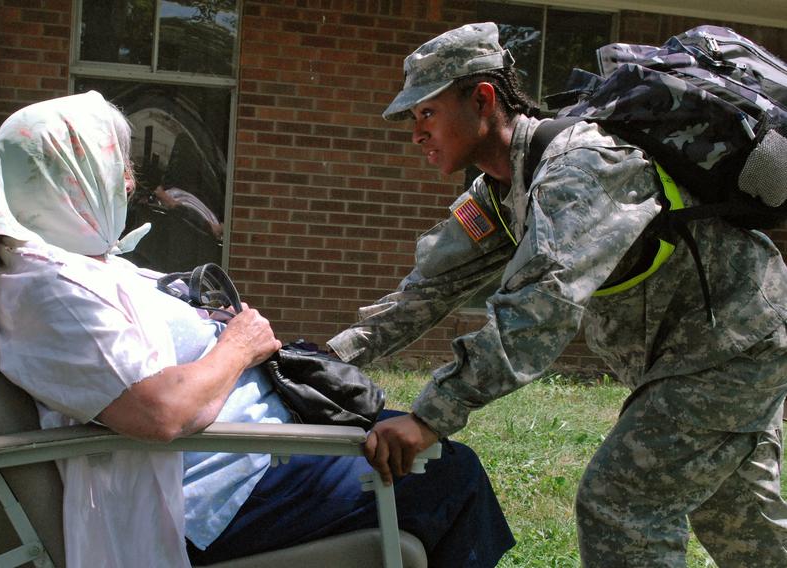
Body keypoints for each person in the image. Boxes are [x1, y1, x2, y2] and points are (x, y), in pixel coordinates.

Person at [0, 91, 515, 567]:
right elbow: (158, 412)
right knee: (451, 475)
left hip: (249, 456)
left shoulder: (76, 264)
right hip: (215, 495)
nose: (129, 182)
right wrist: (238, 346)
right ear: (66, 176)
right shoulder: (50, 290)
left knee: (414, 440)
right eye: (117, 166)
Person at [328, 22, 787, 567]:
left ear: (482, 98)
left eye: (426, 113)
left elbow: (539, 310)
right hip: (699, 355)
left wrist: (430, 416)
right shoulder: (501, 190)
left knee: (623, 504)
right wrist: (318, 361)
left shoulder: (580, 168)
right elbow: (425, 291)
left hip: (733, 349)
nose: (416, 133)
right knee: (742, 524)